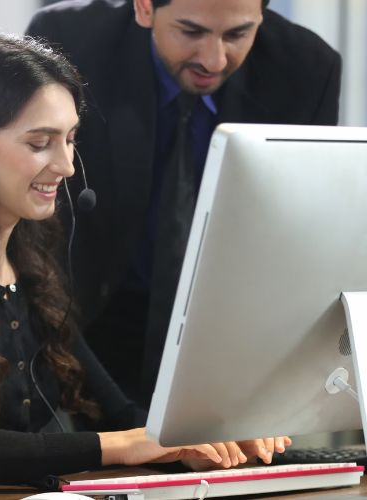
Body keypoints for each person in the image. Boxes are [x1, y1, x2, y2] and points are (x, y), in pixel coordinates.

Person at [0, 33, 288, 495]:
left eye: (70, 140)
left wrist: (203, 439)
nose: (66, 165)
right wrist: (118, 447)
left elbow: (121, 417)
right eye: (40, 143)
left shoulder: (27, 260)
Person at [27, 0, 342, 407]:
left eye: (237, 35)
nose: (214, 59)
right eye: (191, 32)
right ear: (144, 8)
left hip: (230, 344)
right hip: (84, 324)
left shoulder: (308, 69)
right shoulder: (67, 42)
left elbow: (300, 230)